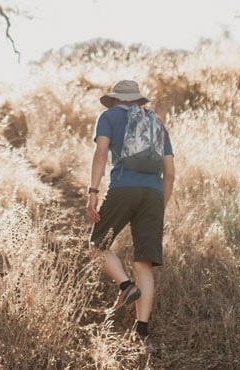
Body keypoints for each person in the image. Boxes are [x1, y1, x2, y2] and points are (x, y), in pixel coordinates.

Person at [86, 80, 175, 342]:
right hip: (154, 194)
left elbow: (101, 153)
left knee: (96, 245)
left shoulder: (108, 116)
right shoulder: (157, 124)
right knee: (143, 263)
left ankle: (125, 286)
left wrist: (93, 192)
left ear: (115, 100)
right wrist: (160, 206)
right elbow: (170, 174)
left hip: (124, 188)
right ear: (138, 101)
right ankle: (141, 331)